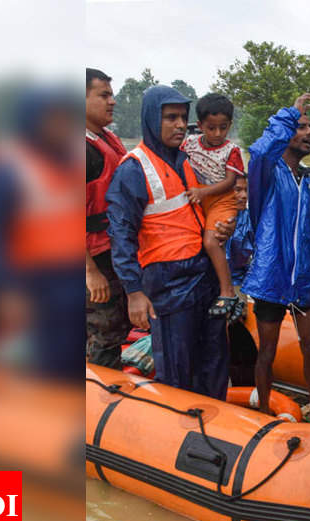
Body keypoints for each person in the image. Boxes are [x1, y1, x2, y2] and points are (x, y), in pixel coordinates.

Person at [106, 85, 230, 400]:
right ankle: (179, 430)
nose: (179, 125)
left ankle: (215, 422)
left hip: (203, 273)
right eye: (170, 118)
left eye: (183, 118)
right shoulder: (134, 169)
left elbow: (196, 211)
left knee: (213, 360)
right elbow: (121, 233)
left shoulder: (184, 160)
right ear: (151, 119)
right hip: (168, 282)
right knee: (178, 366)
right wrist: (134, 292)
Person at [0, 88, 83, 381]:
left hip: (71, 282)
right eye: (53, 119)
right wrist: (4, 289)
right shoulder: (6, 169)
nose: (61, 126)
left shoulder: (70, 162)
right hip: (33, 287)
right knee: (42, 367)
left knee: (70, 361)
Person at [242, 93, 310, 421]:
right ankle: (265, 410)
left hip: (305, 278)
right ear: (286, 133)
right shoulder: (267, 174)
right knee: (266, 351)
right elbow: (259, 151)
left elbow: (309, 231)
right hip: (271, 277)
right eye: (302, 127)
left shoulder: (307, 184)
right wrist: (289, 114)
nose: (309, 133)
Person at [180, 93, 245, 320]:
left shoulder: (232, 151)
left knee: (211, 241)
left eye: (223, 128)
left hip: (221, 200)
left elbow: (229, 182)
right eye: (211, 128)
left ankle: (227, 291)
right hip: (198, 199)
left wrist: (202, 192)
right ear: (200, 126)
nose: (218, 134)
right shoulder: (188, 144)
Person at [86, 68, 132, 369]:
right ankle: (99, 396)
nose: (112, 101)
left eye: (112, 94)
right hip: (94, 257)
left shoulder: (107, 140)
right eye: (104, 95)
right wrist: (90, 272)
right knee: (104, 329)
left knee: (117, 323)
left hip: (114, 249)